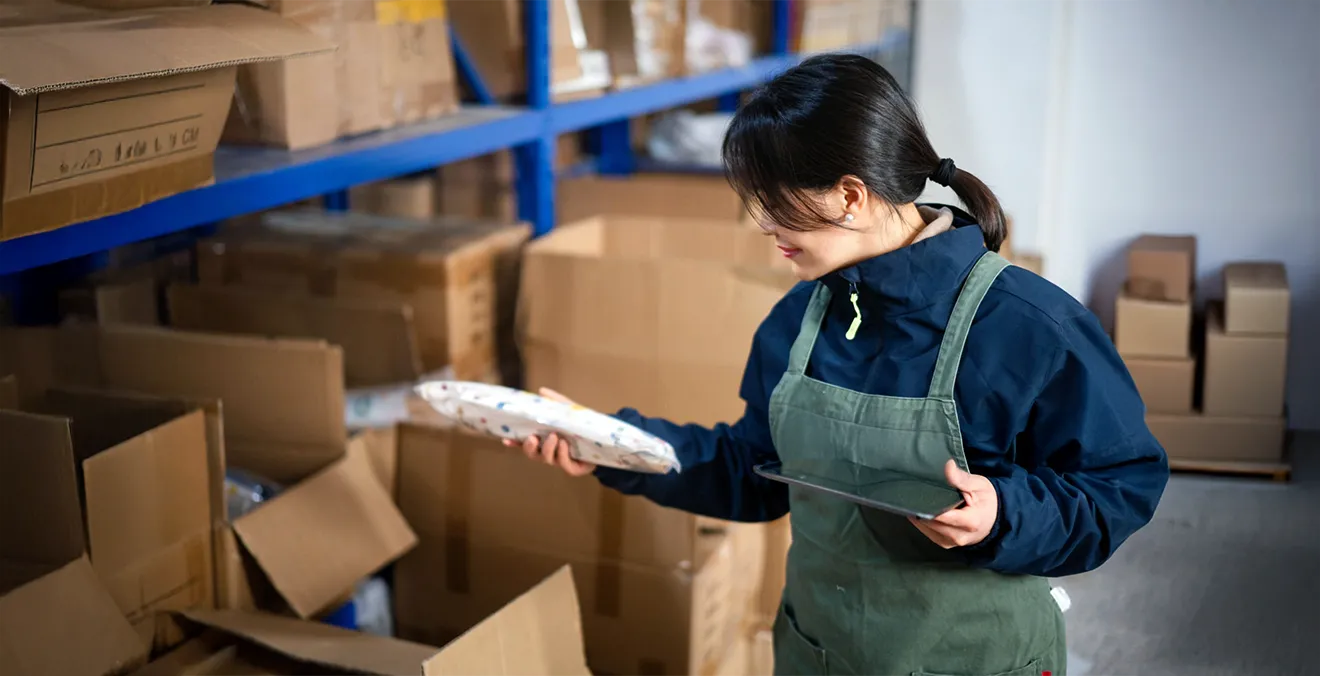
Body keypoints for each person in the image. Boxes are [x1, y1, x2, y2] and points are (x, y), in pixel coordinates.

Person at [509, 54, 1169, 676]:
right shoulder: (797, 322)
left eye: (774, 200)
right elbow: (755, 472)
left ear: (850, 195)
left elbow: (1121, 484)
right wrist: (613, 445)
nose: (763, 225)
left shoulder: (1030, 328)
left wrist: (1005, 514)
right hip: (820, 653)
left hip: (974, 658)